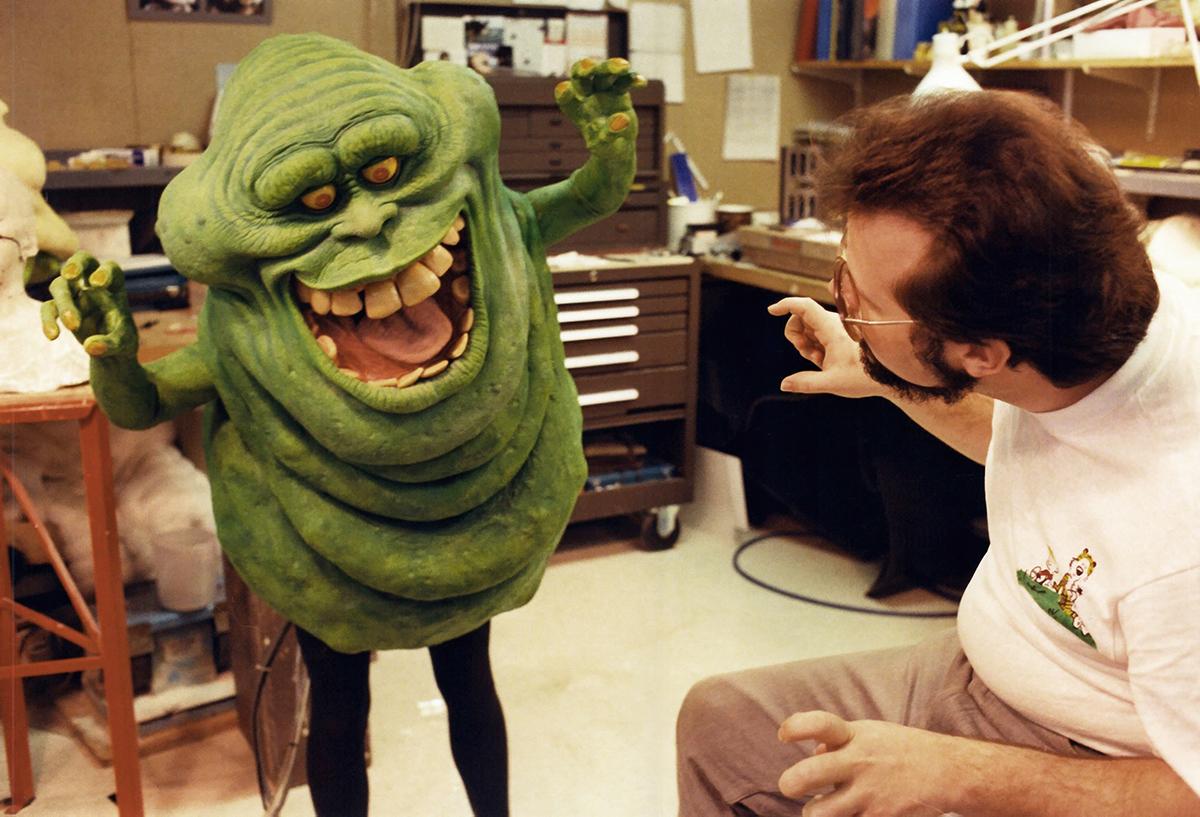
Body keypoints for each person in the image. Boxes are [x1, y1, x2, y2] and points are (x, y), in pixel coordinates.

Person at [676, 90, 1200, 816]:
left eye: (861, 305)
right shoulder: (1091, 311)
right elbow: (1031, 442)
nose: (842, 307)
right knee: (722, 721)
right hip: (992, 666)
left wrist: (959, 771)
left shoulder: (1179, 536)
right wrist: (884, 367)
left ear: (979, 354)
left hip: (1089, 756)